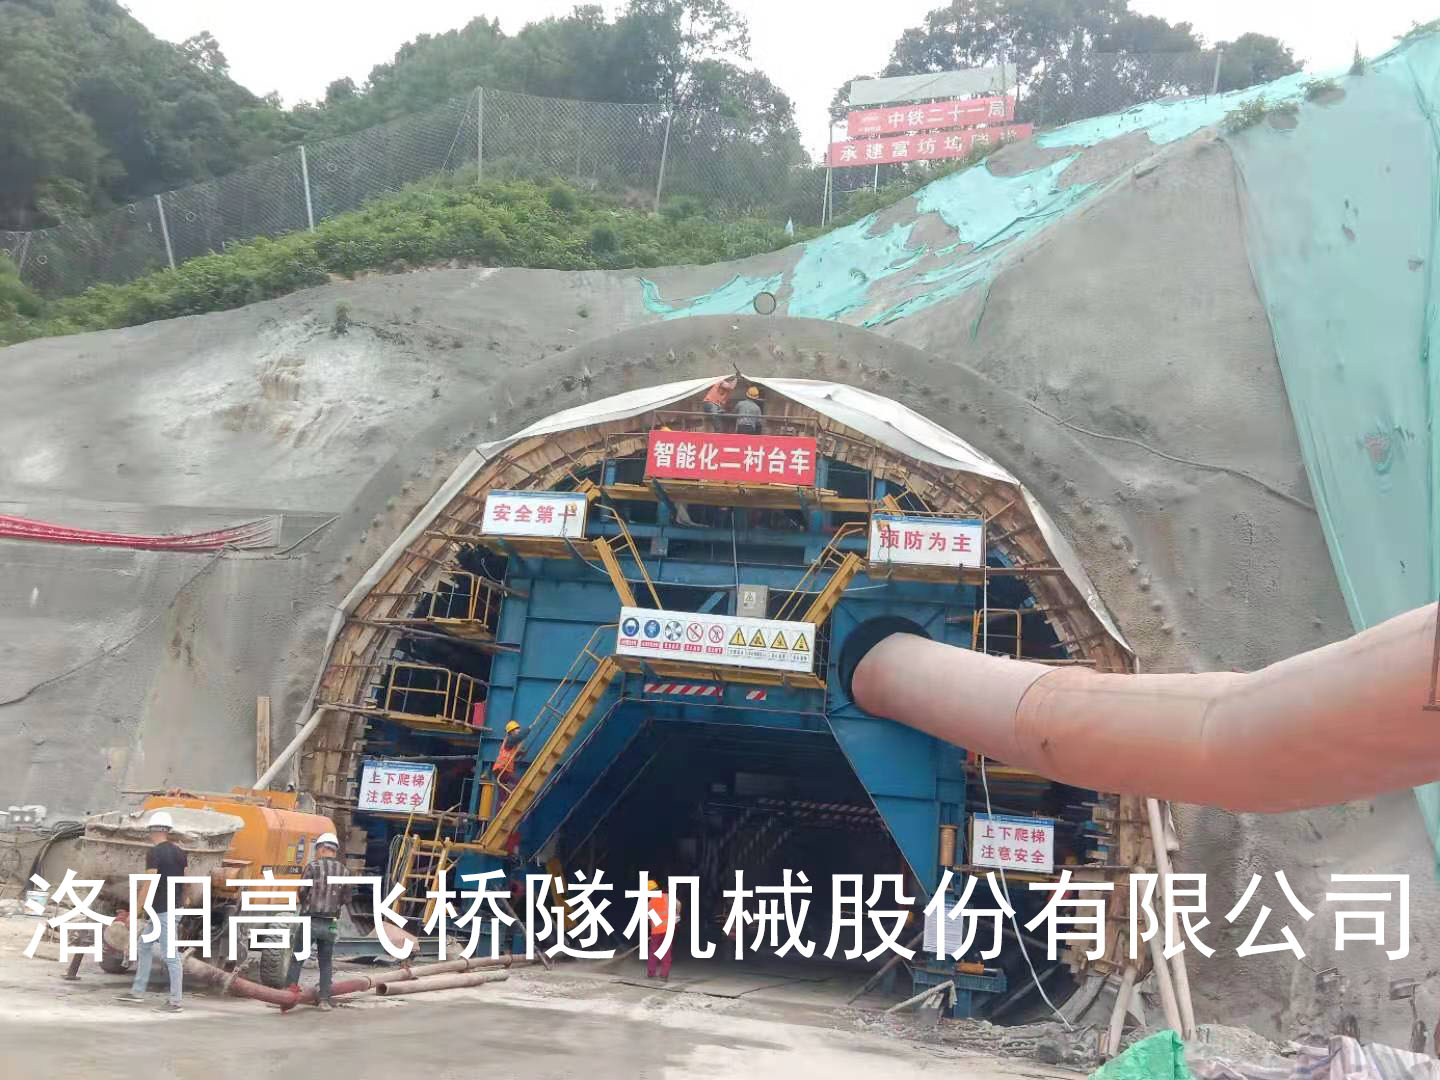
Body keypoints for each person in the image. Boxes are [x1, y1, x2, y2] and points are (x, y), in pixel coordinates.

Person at [116, 810, 186, 1011]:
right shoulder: (180, 852)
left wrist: (135, 913)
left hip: (164, 912)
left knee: (171, 956)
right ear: (167, 830)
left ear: (151, 830)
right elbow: (185, 879)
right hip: (168, 909)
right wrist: (183, 900)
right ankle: (137, 992)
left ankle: (175, 1002)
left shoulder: (154, 853)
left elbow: (149, 884)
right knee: (143, 946)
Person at [285, 831, 352, 1010]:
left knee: (297, 958)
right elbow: (347, 898)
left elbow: (302, 892)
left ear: (321, 849)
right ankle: (324, 1000)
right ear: (334, 850)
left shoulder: (312, 867)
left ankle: (288, 997)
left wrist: (309, 903)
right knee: (325, 962)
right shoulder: (344, 871)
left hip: (310, 919)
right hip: (330, 922)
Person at [646, 879, 680, 981]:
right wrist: (677, 915)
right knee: (666, 952)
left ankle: (651, 973)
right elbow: (678, 904)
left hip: (656, 932)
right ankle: (664, 974)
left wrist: (653, 932)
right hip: (668, 930)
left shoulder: (649, 903)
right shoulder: (667, 897)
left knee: (653, 952)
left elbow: (651, 920)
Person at [493, 720, 529, 800]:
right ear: (511, 731)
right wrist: (528, 730)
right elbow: (519, 737)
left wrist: (520, 753)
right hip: (502, 769)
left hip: (500, 769)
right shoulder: (510, 740)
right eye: (517, 729)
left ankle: (502, 804)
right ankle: (513, 798)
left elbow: (511, 755)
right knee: (518, 783)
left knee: (502, 793)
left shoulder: (510, 743)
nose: (519, 730)